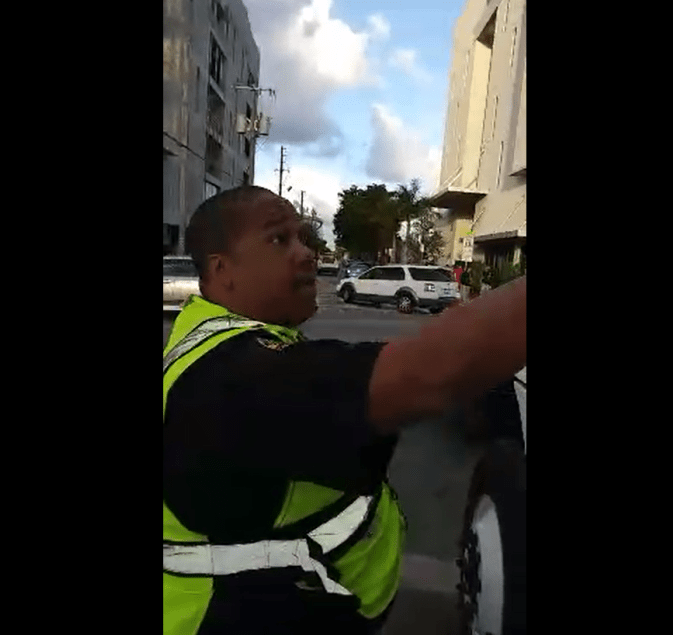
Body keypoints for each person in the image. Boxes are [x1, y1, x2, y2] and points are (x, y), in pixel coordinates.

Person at [163, 186, 527, 635]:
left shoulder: (233, 347)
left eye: (302, 237)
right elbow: (433, 372)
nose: (306, 254)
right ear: (223, 270)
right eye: (280, 240)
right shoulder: (230, 375)